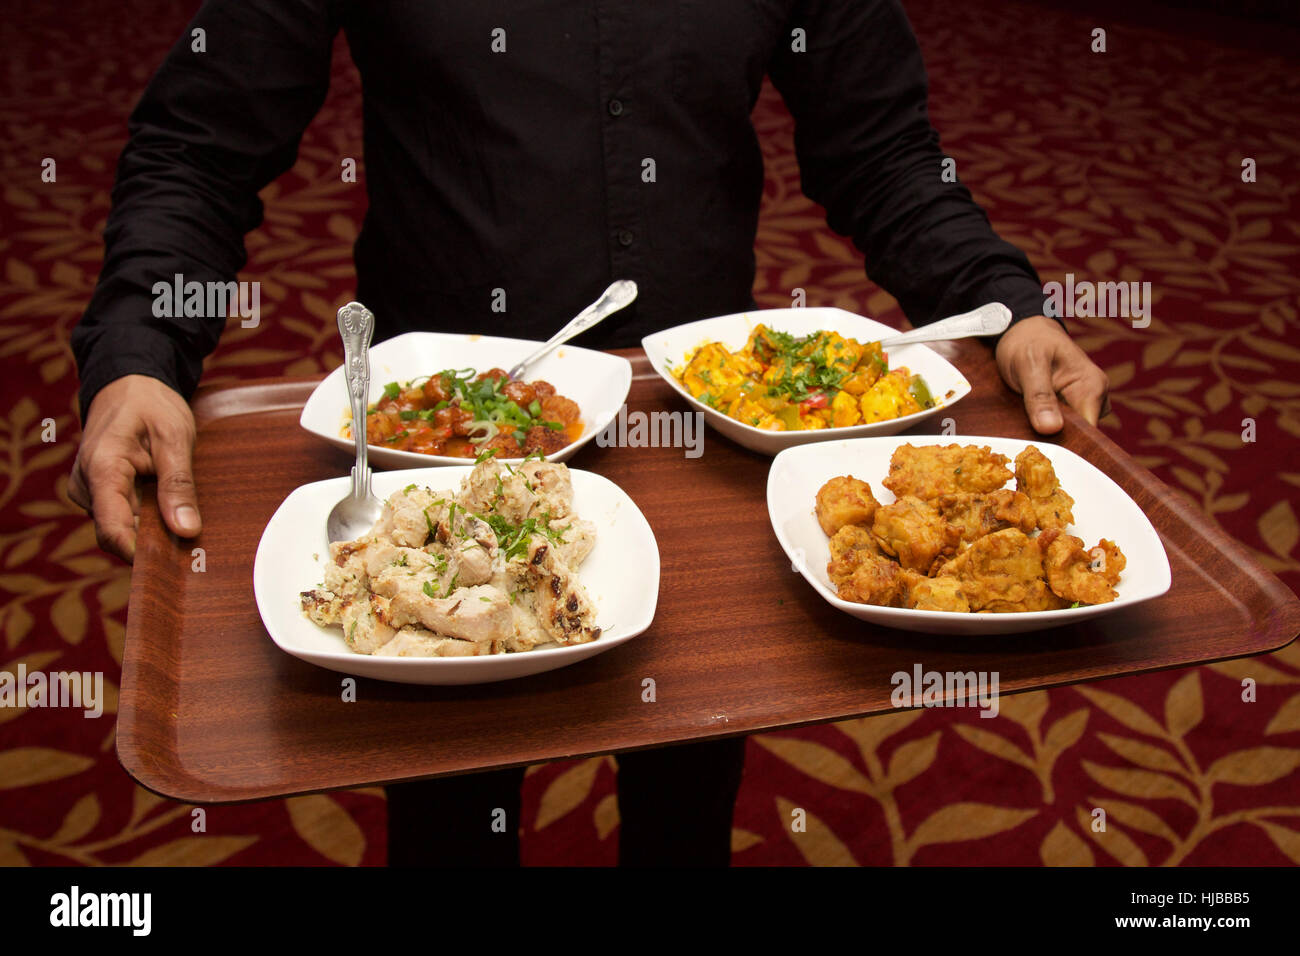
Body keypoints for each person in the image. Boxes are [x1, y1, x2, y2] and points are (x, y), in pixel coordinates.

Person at [69, 1, 1109, 866]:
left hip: (696, 435)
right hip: (428, 457)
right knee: (448, 805)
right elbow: (200, 145)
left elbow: (880, 150)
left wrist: (1001, 302)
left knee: (688, 790)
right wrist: (137, 353)